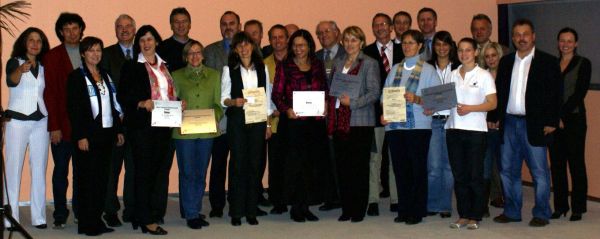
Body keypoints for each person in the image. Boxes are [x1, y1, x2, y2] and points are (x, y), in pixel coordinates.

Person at [490, 19, 561, 227]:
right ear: (513, 38)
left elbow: (556, 94)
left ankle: (541, 212)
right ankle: (512, 211)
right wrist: (494, 117)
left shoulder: (547, 61)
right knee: (507, 170)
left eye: (525, 34)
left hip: (536, 124)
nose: (521, 38)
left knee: (539, 172)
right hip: (509, 123)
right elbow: (500, 93)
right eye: (517, 35)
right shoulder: (506, 61)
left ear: (533, 36)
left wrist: (552, 121)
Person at [118, 25, 175, 235]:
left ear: (157, 41)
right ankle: (145, 218)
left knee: (157, 171)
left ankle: (146, 213)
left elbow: (167, 94)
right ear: (138, 44)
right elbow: (123, 96)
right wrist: (141, 103)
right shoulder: (131, 66)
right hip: (142, 127)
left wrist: (178, 103)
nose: (146, 43)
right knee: (143, 172)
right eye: (142, 40)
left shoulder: (164, 66)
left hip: (163, 125)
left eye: (150, 39)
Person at [66, 36, 125, 236]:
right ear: (83, 54)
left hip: (106, 135)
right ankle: (86, 223)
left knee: (101, 181)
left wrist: (118, 130)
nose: (95, 54)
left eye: (98, 50)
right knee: (86, 181)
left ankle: (96, 220)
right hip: (87, 138)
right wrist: (81, 136)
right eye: (91, 50)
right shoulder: (76, 77)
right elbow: (74, 110)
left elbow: (113, 107)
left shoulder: (106, 75)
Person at [381, 29, 440, 225]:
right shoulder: (394, 69)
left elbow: (438, 101)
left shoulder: (429, 70)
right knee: (401, 170)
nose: (407, 46)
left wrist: (417, 99)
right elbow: (385, 97)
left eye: (411, 43)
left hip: (418, 127)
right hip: (395, 128)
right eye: (404, 43)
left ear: (420, 46)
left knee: (417, 169)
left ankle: (418, 209)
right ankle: (404, 208)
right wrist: (384, 114)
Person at [272, 29, 329, 223]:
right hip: (293, 124)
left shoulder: (317, 65)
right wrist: (286, 109)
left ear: (310, 46)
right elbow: (276, 94)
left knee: (310, 165)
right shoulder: (284, 66)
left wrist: (326, 105)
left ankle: (305, 205)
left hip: (314, 123)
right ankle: (296, 207)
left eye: (302, 45)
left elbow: (324, 90)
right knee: (294, 166)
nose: (299, 48)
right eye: (295, 45)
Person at [327, 26, 380, 223]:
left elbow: (374, 93)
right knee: (343, 167)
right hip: (341, 121)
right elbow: (333, 89)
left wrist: (354, 103)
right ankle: (347, 208)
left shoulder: (369, 63)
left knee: (359, 168)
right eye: (346, 40)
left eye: (354, 40)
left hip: (360, 122)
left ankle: (358, 210)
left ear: (361, 42)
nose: (349, 44)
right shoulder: (338, 62)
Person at [221, 32, 273, 226]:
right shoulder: (229, 69)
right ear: (235, 49)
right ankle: (236, 211)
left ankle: (251, 210)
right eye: (239, 45)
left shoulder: (262, 68)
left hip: (258, 122)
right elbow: (223, 98)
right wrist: (233, 101)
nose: (243, 48)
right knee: (237, 165)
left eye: (247, 44)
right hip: (237, 122)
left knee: (254, 165)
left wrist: (268, 124)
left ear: (253, 46)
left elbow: (266, 98)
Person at [446, 37, 497, 230]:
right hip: (453, 129)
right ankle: (463, 214)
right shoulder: (452, 75)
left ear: (476, 52)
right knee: (459, 175)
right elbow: (444, 102)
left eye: (468, 50)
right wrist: (431, 107)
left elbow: (493, 103)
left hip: (476, 131)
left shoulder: (484, 75)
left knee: (475, 175)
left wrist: (471, 108)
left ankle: (476, 215)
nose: (464, 53)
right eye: (460, 50)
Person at [3, 27, 50, 230]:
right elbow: (10, 82)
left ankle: (39, 217)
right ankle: (10, 218)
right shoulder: (15, 62)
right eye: (31, 40)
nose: (35, 43)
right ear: (24, 42)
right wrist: (20, 71)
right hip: (17, 121)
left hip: (41, 121)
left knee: (39, 168)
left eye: (38, 40)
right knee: (13, 169)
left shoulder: (44, 66)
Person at [171, 40, 222, 229]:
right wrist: (178, 105)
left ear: (203, 55)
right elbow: (170, 101)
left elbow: (218, 104)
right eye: (190, 53)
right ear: (185, 56)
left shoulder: (215, 76)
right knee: (187, 172)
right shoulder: (175, 76)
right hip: (184, 133)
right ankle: (191, 213)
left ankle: (194, 207)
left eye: (197, 52)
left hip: (207, 131)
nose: (194, 56)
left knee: (200, 173)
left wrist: (215, 117)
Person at [43, 12, 86, 229]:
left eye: (75, 28)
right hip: (61, 126)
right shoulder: (52, 56)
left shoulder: (90, 52)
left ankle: (81, 210)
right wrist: (55, 127)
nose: (71, 32)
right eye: (67, 29)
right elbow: (50, 94)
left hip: (84, 127)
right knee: (61, 172)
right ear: (61, 32)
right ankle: (60, 212)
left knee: (82, 172)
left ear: (81, 30)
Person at [549, 27, 591, 222]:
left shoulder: (584, 63)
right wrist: (554, 118)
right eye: (562, 40)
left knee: (576, 165)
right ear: (558, 43)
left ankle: (578, 208)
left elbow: (579, 93)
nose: (565, 44)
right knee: (557, 165)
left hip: (574, 120)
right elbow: (549, 94)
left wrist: (561, 116)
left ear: (576, 44)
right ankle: (560, 206)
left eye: (569, 41)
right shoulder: (553, 64)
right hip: (554, 122)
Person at [363, 13, 402, 216]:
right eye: (376, 25)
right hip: (374, 114)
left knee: (395, 157)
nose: (380, 28)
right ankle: (373, 199)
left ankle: (396, 198)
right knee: (374, 158)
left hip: (398, 113)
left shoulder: (403, 49)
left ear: (391, 27)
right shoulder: (366, 52)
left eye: (383, 24)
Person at [203, 11, 241, 218]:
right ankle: (216, 205)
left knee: (238, 163)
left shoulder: (250, 50)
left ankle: (237, 202)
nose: (228, 27)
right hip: (218, 116)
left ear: (239, 25)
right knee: (218, 163)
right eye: (224, 24)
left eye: (232, 23)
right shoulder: (209, 51)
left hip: (241, 117)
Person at [100, 13, 136, 227]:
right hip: (115, 122)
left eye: (128, 26)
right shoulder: (106, 55)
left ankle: (131, 209)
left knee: (134, 169)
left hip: (139, 124)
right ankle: (110, 210)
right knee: (112, 170)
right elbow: (105, 90)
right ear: (115, 31)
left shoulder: (143, 52)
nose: (124, 30)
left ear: (134, 29)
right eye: (120, 27)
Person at [426, 31, 458, 219]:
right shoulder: (427, 68)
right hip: (433, 121)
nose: (442, 48)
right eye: (438, 44)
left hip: (453, 121)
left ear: (451, 46)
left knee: (449, 167)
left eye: (445, 44)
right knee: (433, 167)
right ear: (433, 47)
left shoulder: (458, 68)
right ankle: (432, 204)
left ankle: (445, 205)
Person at [315, 20, 345, 212]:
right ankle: (330, 197)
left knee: (342, 158)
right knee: (325, 158)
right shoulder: (315, 56)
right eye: (320, 33)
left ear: (337, 33)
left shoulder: (349, 53)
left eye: (327, 31)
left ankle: (344, 197)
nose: (323, 35)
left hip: (342, 114)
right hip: (319, 115)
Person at [263, 24, 289, 214]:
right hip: (273, 122)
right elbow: (262, 95)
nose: (278, 41)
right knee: (276, 163)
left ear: (287, 39)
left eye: (281, 37)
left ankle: (295, 199)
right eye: (274, 37)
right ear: (269, 40)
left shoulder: (298, 62)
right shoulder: (263, 65)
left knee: (294, 162)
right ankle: (278, 201)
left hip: (294, 120)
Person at [481, 42, 505, 214]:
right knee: (486, 165)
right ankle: (483, 204)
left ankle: (505, 198)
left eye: (493, 55)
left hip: (506, 126)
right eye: (487, 56)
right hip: (486, 126)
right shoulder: (482, 76)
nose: (490, 59)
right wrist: (490, 119)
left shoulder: (508, 75)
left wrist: (500, 119)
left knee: (505, 165)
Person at [158, 7, 193, 72]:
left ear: (190, 25)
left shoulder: (195, 46)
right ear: (171, 25)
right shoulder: (162, 47)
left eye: (184, 21)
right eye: (177, 22)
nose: (181, 25)